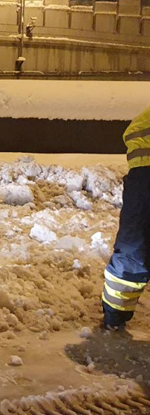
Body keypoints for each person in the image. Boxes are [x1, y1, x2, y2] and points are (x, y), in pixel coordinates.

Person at [101, 104, 150, 330]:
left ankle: (114, 317)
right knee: (133, 251)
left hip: (142, 180)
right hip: (143, 179)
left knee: (133, 250)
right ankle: (114, 316)